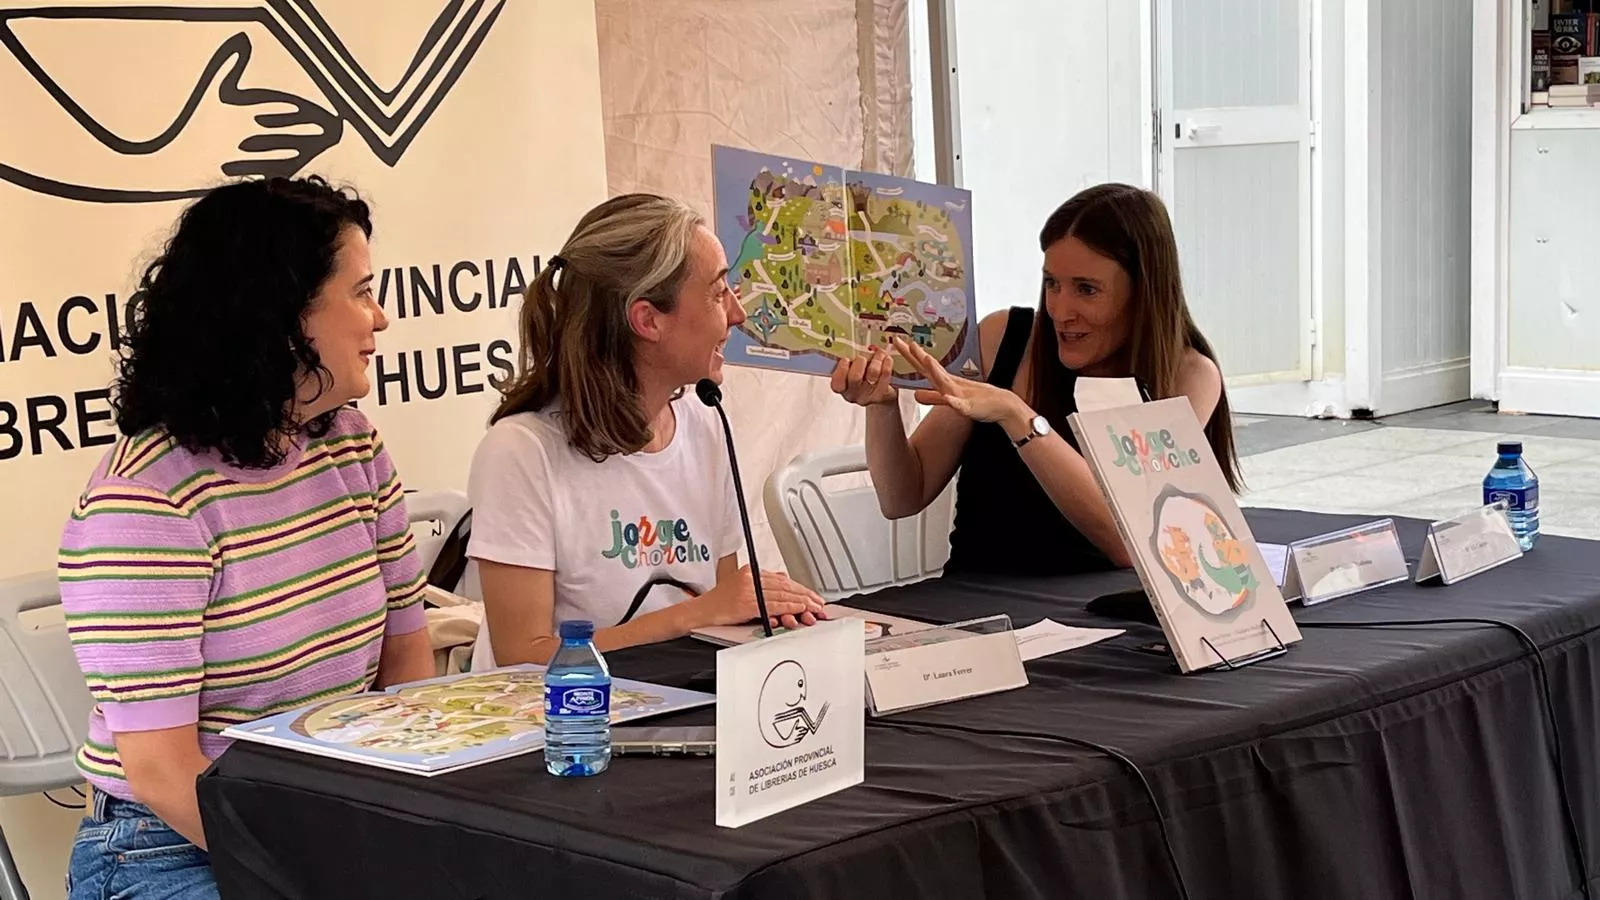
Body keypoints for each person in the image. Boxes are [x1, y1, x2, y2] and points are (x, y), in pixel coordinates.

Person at [57, 176, 436, 899]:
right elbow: (164, 773)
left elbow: (406, 657)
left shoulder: (352, 445)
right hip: (170, 845)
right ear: (282, 316)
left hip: (332, 811)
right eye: (361, 292)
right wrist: (324, 869)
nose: (380, 319)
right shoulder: (144, 499)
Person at [466, 193, 828, 671]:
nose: (737, 314)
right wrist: (695, 613)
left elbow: (718, 616)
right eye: (719, 293)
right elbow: (522, 658)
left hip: (680, 700)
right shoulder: (522, 451)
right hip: (564, 728)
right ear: (648, 320)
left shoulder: (705, 425)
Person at [832, 183, 1240, 576]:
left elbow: (1127, 541)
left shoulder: (1187, 375)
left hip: (1109, 617)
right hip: (982, 613)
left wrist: (1018, 416)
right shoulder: (1003, 339)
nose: (1061, 310)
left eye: (1086, 289)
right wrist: (881, 407)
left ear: (1144, 291)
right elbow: (903, 496)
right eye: (1052, 283)